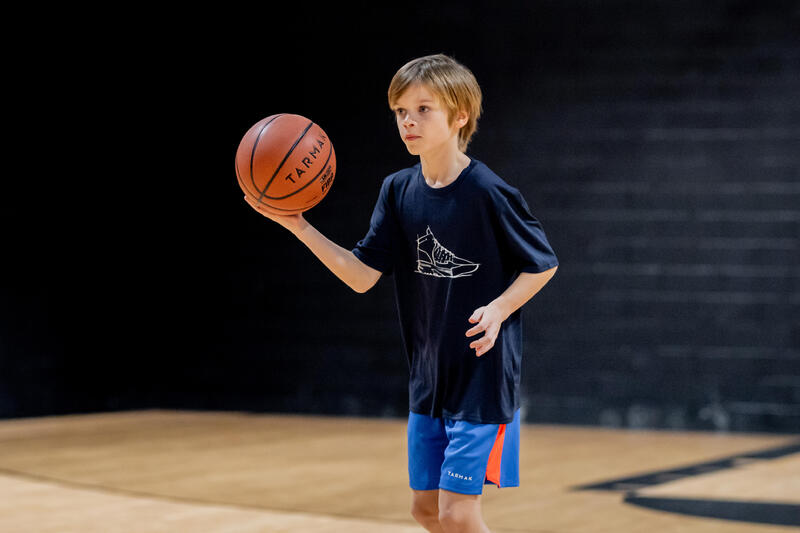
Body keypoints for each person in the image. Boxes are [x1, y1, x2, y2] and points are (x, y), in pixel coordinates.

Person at [244, 54, 558, 533]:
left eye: (423, 109)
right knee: (425, 512)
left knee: (458, 513)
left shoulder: (488, 191)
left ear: (459, 117)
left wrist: (498, 309)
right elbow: (362, 274)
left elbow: (544, 264)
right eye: (400, 112)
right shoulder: (397, 190)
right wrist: (297, 224)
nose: (408, 121)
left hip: (481, 378)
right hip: (428, 377)